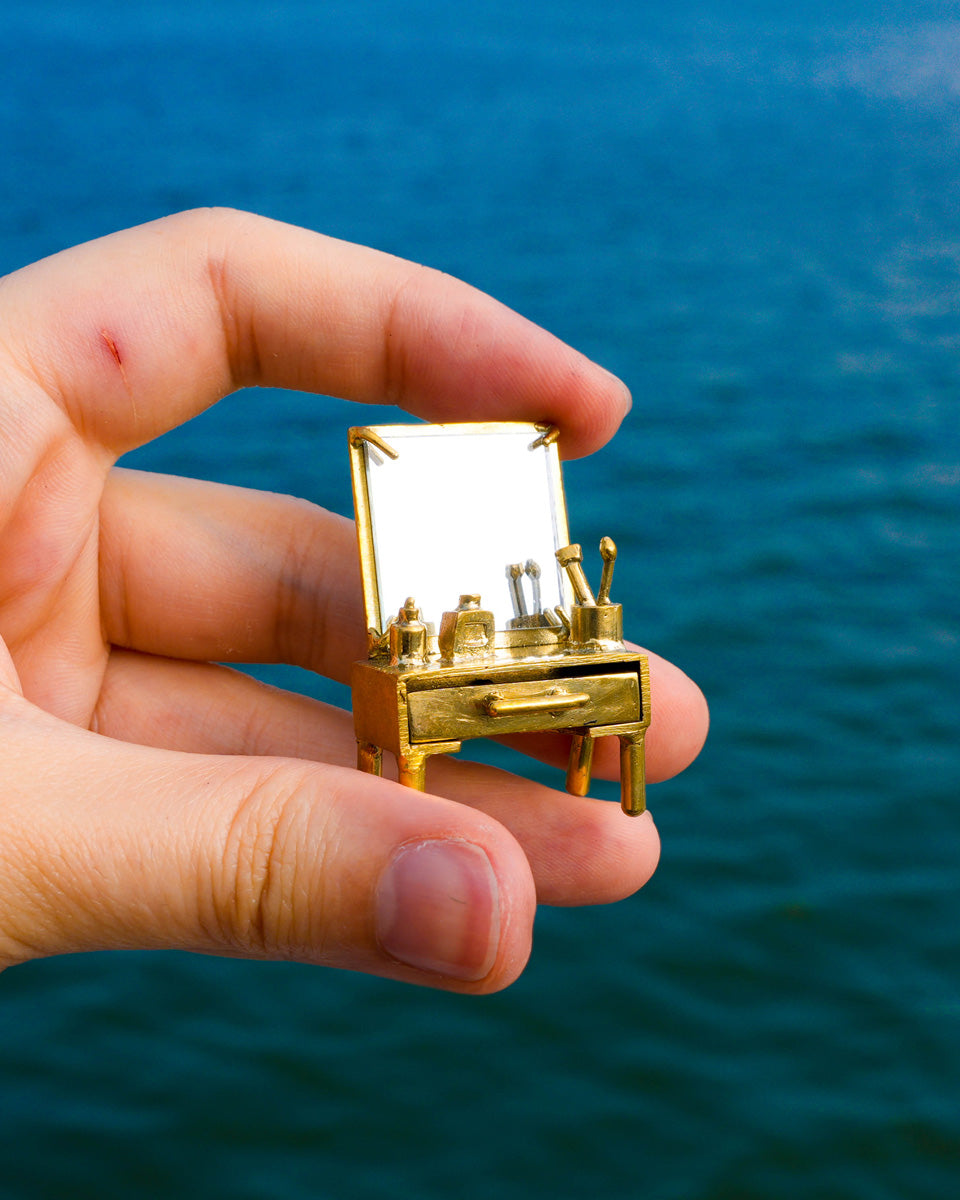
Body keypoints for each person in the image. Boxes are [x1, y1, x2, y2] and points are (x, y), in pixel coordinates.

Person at [0, 209, 708, 993]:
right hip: (435, 673)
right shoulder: (416, 618)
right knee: (429, 763)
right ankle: (400, 812)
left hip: (527, 655)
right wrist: (287, 861)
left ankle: (588, 791)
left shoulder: (544, 599)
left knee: (607, 734)